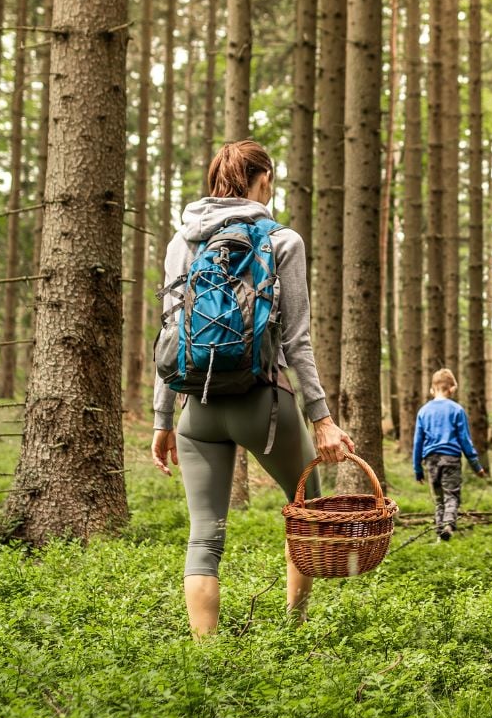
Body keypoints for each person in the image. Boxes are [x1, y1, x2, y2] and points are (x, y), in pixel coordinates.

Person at [150, 140, 355, 636]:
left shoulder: (182, 241)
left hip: (196, 409)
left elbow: (170, 331)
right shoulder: (283, 239)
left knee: (204, 538)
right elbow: (297, 341)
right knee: (304, 512)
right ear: (262, 178)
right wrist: (322, 418)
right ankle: (293, 629)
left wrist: (162, 420)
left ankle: (209, 659)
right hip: (263, 403)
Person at [412, 368, 487, 541]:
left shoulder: (423, 411)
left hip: (430, 460)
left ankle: (440, 534)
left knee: (438, 499)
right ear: (452, 389)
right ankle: (448, 526)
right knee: (451, 495)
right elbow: (465, 441)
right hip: (451, 458)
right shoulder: (457, 410)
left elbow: (417, 442)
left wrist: (417, 468)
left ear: (432, 389)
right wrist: (476, 466)